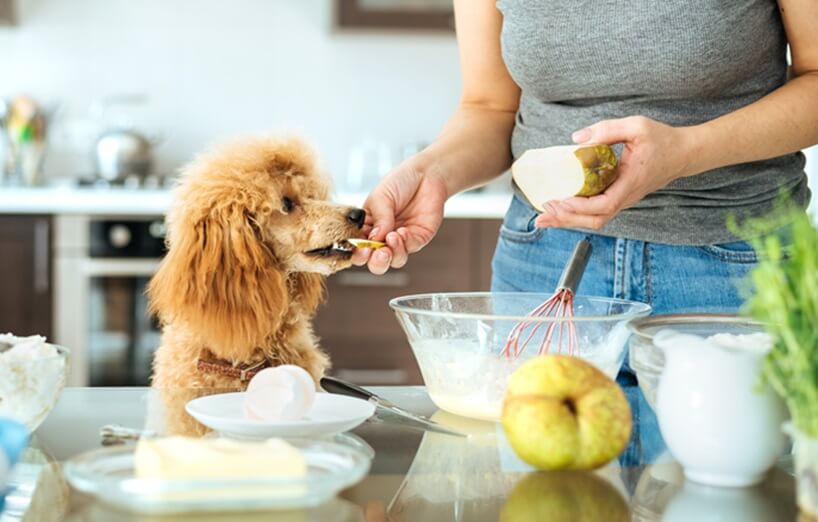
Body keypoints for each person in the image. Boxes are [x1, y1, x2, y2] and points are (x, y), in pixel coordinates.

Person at [353, 0, 818, 466]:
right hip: (544, 260)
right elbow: (488, 107)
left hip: (730, 263)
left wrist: (686, 151)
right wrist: (431, 173)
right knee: (540, 496)